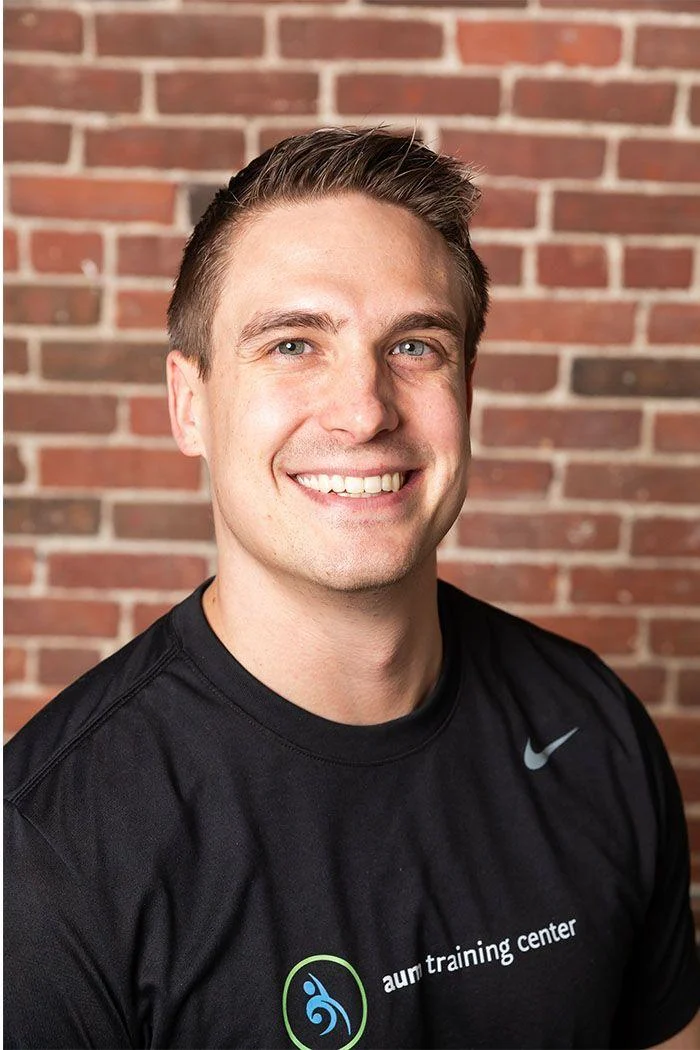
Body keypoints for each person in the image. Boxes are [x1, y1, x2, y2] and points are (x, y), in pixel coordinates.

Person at [4, 127, 699, 1050]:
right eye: (293, 344)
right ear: (188, 402)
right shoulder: (48, 844)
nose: (365, 409)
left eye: (414, 345)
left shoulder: (593, 725)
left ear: (467, 389)